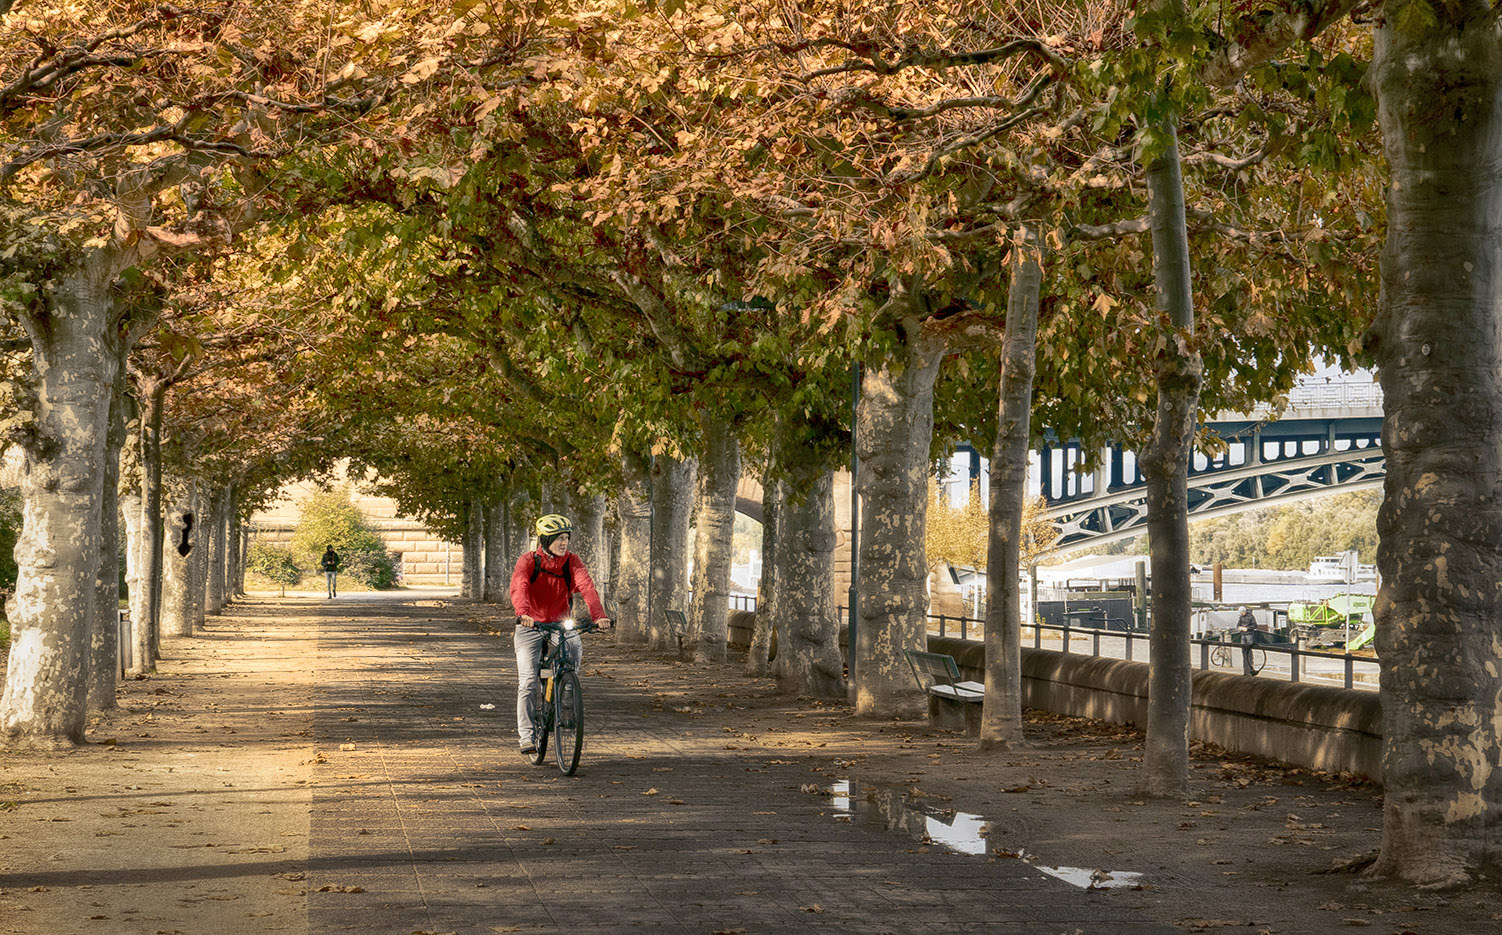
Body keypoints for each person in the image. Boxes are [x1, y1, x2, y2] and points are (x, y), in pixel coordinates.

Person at [510, 514, 612, 756]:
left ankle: (567, 683)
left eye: (566, 537)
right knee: (527, 682)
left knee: (574, 646)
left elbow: (587, 587)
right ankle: (527, 736)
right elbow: (520, 586)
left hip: (559, 623)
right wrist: (523, 613)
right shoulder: (528, 561)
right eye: (558, 538)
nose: (563, 542)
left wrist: (599, 615)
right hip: (530, 625)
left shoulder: (572, 562)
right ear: (545, 540)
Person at [1236, 605, 1260, 675]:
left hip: (1249, 634)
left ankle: (1249, 667)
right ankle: (1246, 668)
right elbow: (1237, 625)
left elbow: (1255, 626)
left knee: (1248, 650)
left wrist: (1247, 628)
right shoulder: (1240, 617)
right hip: (1243, 634)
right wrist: (1240, 628)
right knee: (1243, 650)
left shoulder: (1251, 617)